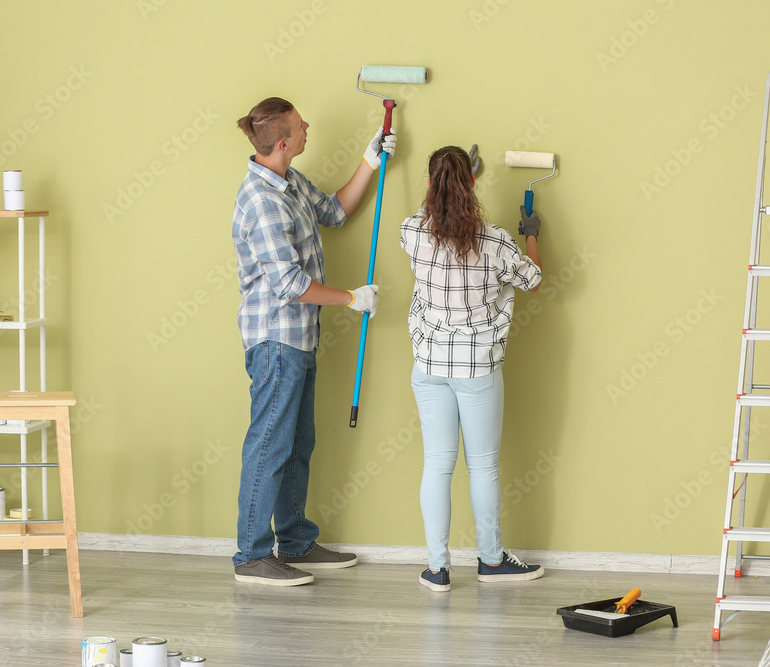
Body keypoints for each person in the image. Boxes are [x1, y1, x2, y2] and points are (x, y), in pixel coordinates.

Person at [231, 96, 395, 586]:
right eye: (302, 126)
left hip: (300, 338)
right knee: (270, 444)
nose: (308, 127)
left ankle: (296, 542)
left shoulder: (289, 181)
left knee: (299, 442)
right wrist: (351, 298)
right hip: (276, 340)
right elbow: (290, 285)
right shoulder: (261, 201)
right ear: (283, 143)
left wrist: (370, 160)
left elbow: (335, 211)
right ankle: (252, 556)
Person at [399, 145, 545, 592]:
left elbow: (438, 226)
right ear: (473, 184)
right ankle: (491, 561)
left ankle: (437, 570)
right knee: (483, 466)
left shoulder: (410, 232)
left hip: (429, 365)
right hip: (477, 366)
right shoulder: (497, 241)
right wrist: (532, 234)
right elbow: (534, 278)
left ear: (429, 183)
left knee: (437, 465)